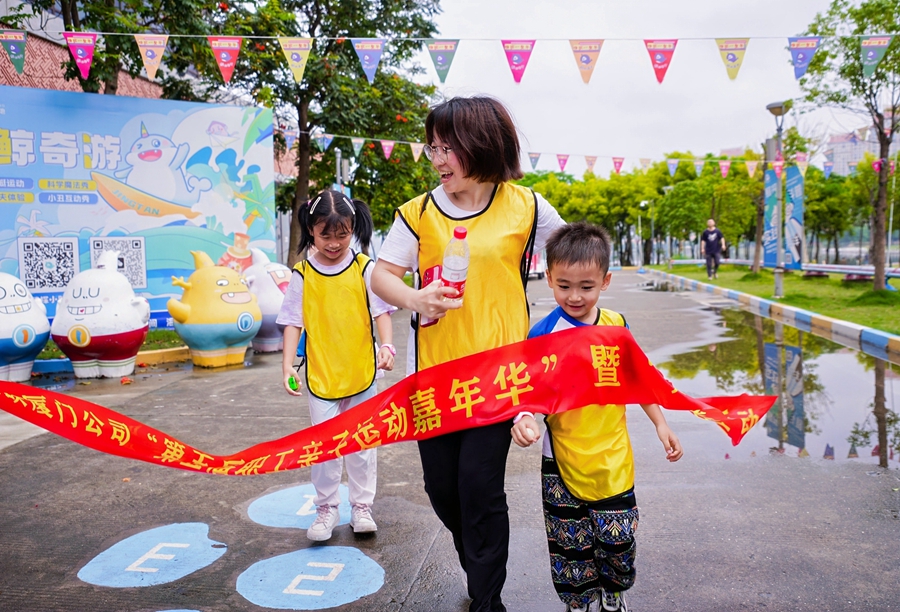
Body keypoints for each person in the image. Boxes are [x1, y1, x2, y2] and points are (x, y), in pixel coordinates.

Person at [371, 95, 565, 612]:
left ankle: (486, 599)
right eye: (432, 147)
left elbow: (572, 252)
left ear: (480, 145)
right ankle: (479, 564)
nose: (437, 160)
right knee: (443, 491)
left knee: (479, 489)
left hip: (499, 377)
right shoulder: (417, 213)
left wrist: (581, 315)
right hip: (434, 378)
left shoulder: (526, 206)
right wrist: (413, 297)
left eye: (447, 148)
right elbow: (380, 274)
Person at [511, 222, 683, 612]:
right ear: (550, 277)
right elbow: (529, 391)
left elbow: (637, 379)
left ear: (605, 281)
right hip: (562, 459)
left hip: (612, 457)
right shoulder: (542, 334)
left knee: (618, 540)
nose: (574, 296)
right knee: (570, 545)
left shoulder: (617, 327)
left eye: (586, 287)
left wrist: (660, 423)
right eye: (564, 285)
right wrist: (524, 419)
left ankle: (614, 590)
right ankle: (579, 602)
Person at [277, 189, 395, 542]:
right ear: (311, 230)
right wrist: (286, 367)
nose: (334, 242)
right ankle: (326, 509)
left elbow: (382, 312)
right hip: (321, 376)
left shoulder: (363, 268)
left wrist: (387, 345)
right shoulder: (302, 274)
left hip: (362, 373)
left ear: (353, 227)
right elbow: (292, 322)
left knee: (361, 446)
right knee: (325, 449)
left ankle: (361, 507)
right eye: (326, 234)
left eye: (342, 233)